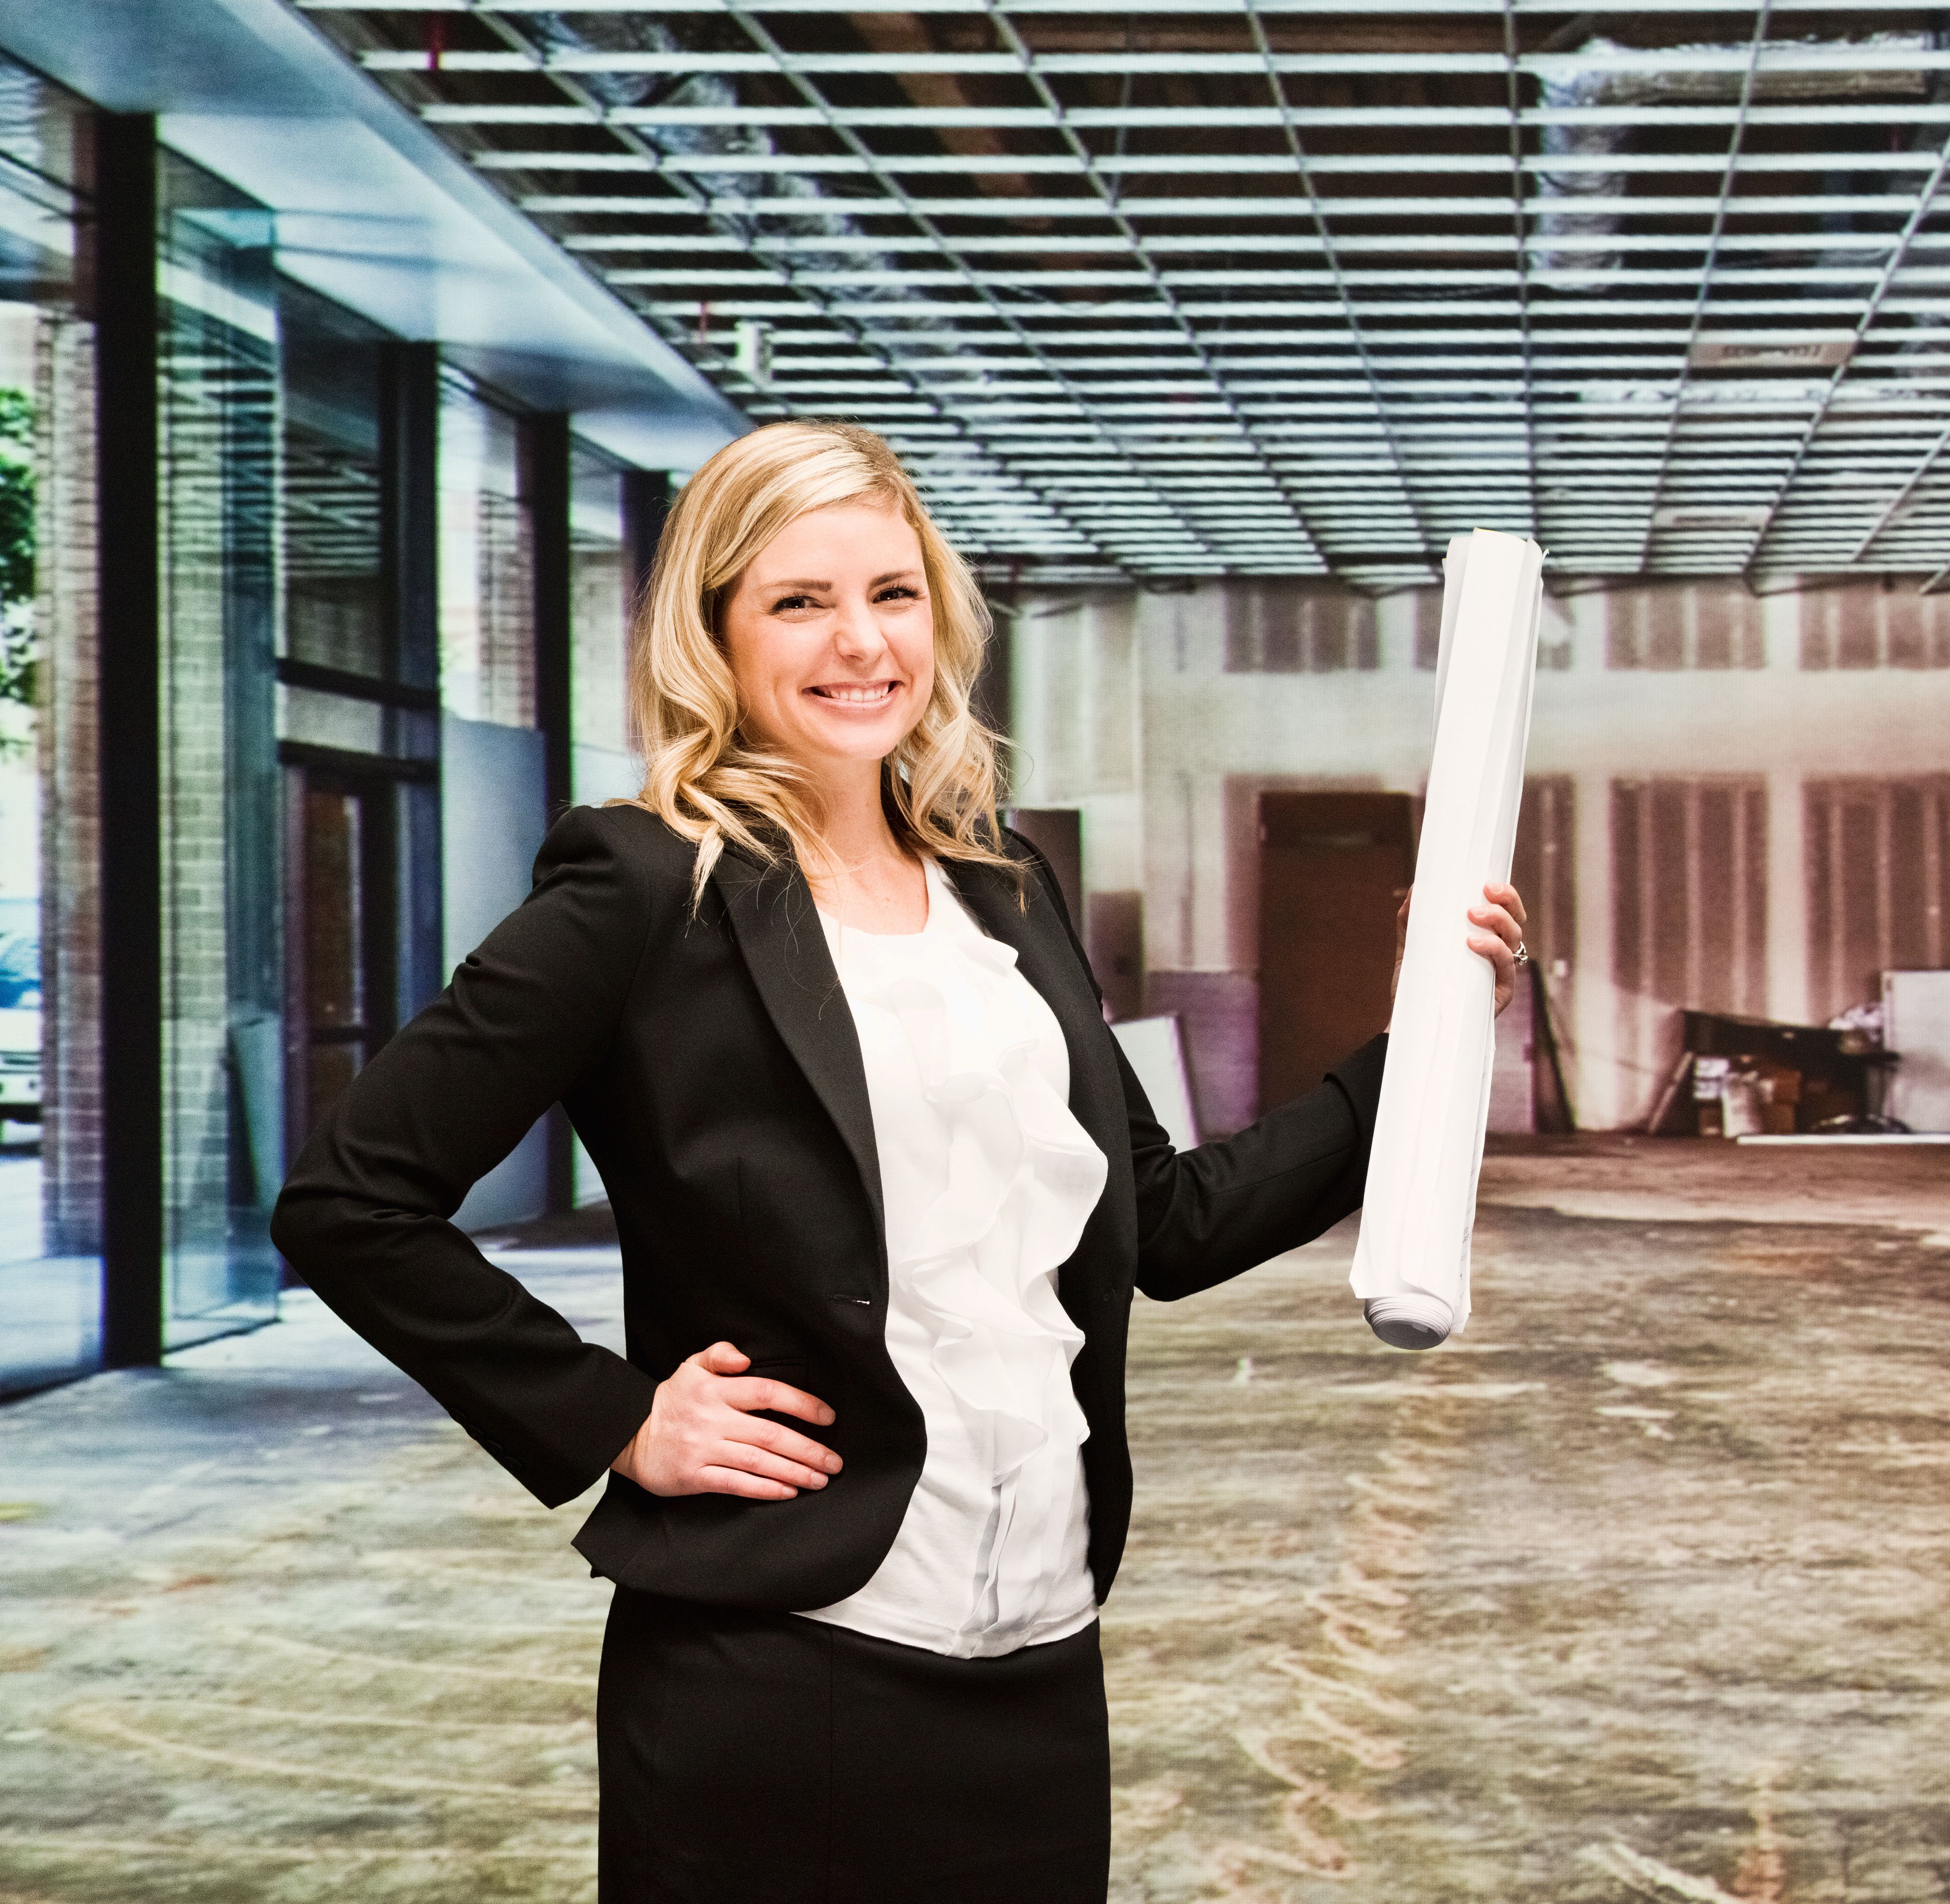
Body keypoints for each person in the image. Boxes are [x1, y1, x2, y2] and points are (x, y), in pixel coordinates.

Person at [270, 419, 1531, 1901]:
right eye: (799, 601)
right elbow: (352, 1201)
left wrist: (1425, 1045)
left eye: (895, 593)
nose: (860, 643)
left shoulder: (1003, 885)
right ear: (719, 634)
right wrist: (612, 1417)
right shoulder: (641, 886)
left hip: (1038, 1652)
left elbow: (1167, 1223)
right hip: (777, 1659)